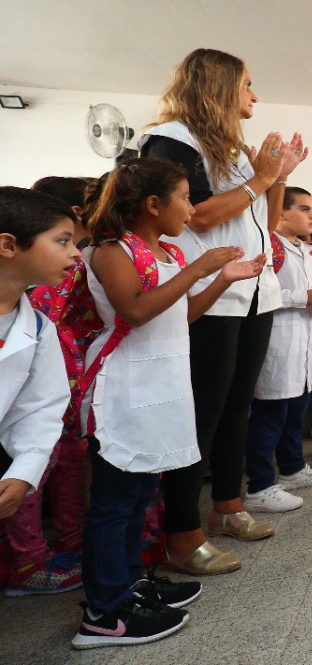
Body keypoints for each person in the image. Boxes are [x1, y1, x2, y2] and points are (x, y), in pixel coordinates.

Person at [77, 160, 265, 647]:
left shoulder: (167, 251)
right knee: (115, 500)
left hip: (162, 385)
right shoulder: (111, 251)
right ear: (152, 205)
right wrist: (201, 267)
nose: (191, 206)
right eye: (183, 197)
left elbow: (182, 315)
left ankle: (130, 585)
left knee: (142, 495)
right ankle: (103, 612)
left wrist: (222, 279)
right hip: (125, 387)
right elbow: (137, 311)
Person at [139, 48, 308, 574]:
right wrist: (259, 179)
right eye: (247, 85)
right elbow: (201, 217)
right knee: (204, 410)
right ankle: (183, 534)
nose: (254, 95)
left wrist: (276, 177)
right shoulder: (173, 141)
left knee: (240, 403)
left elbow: (266, 218)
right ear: (217, 86)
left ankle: (229, 507)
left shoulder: (233, 151)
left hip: (253, 289)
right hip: (209, 291)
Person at [8, 177, 95, 596]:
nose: (75, 252)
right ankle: (26, 558)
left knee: (61, 457)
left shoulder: (36, 325)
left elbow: (40, 407)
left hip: (68, 365)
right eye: (62, 241)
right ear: (9, 245)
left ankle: (41, 552)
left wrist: (24, 469)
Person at [243, 187, 312, 514]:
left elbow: (311, 291)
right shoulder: (270, 247)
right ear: (281, 213)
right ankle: (259, 485)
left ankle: (293, 469)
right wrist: (305, 298)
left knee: (295, 410)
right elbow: (260, 293)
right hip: (277, 341)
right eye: (304, 208)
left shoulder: (305, 248)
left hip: (303, 339)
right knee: (270, 414)